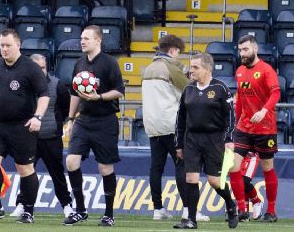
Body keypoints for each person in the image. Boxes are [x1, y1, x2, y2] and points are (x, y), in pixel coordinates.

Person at [0, 29, 49, 224]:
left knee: (24, 169)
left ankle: (28, 211)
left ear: (18, 45)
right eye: (2, 45)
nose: (4, 49)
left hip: (22, 126)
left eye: (8, 45)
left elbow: (44, 95)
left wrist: (37, 117)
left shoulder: (30, 68)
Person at [141, 34, 211, 221]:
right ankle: (188, 209)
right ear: (173, 51)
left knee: (156, 167)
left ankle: (158, 209)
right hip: (171, 124)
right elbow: (190, 90)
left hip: (152, 124)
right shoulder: (171, 67)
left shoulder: (148, 68)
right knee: (183, 166)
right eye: (178, 53)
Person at [62, 25, 126, 226]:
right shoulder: (79, 64)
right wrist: (70, 119)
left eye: (87, 38)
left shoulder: (109, 63)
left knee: (105, 167)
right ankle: (80, 209)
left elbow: (119, 91)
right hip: (83, 120)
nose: (82, 41)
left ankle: (109, 214)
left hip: (105, 120)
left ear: (98, 41)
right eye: (81, 38)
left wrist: (99, 97)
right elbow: (74, 94)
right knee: (71, 161)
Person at [173, 53, 239, 229]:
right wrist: (179, 144)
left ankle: (231, 205)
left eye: (195, 67)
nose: (191, 70)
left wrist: (228, 138)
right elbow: (180, 118)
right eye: (191, 66)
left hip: (213, 139)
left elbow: (230, 116)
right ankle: (191, 220)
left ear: (207, 69)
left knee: (214, 181)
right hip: (192, 139)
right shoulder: (188, 89)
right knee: (191, 178)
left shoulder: (220, 88)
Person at [9, 54, 74, 218]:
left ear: (47, 68)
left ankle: (67, 205)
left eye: (43, 67)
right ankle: (22, 204)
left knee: (57, 174)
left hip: (51, 138)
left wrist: (56, 124)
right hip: (29, 138)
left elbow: (67, 109)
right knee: (26, 173)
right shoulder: (22, 86)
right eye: (36, 68)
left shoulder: (57, 85)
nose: (40, 71)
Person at [229, 35, 281, 222]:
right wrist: (234, 124)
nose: (242, 53)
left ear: (255, 49)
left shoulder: (267, 70)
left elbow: (276, 93)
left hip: (265, 128)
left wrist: (264, 110)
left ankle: (271, 211)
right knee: (233, 167)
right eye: (240, 50)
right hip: (244, 128)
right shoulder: (240, 71)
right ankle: (242, 209)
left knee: (268, 169)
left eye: (245, 50)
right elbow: (241, 99)